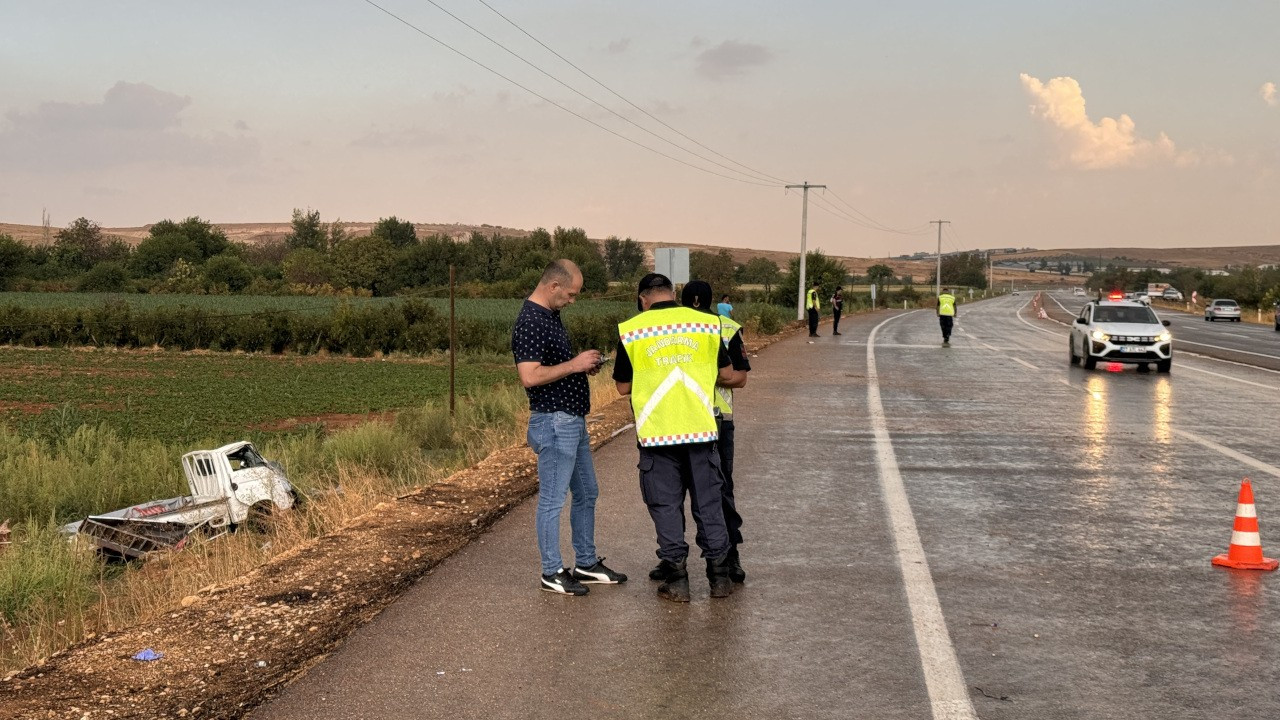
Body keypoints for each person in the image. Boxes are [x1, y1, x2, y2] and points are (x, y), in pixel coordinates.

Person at [614, 273, 747, 602]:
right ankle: (719, 579)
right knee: (709, 504)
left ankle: (677, 581)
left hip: (658, 434)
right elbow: (728, 374)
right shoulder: (705, 325)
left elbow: (622, 387)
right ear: (673, 293)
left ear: (644, 299)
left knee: (666, 506)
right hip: (701, 430)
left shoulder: (632, 331)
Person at [512, 259, 627, 596]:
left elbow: (552, 367)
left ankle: (586, 563)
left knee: (588, 492)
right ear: (554, 287)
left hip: (571, 420)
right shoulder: (531, 321)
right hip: (553, 421)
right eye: (571, 295)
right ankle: (551, 571)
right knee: (552, 499)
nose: (573, 301)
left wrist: (579, 368)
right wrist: (574, 364)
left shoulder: (550, 316)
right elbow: (530, 376)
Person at [681, 280, 751, 584]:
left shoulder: (726, 329)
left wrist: (706, 377)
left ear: (692, 301)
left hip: (718, 421)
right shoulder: (675, 328)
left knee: (721, 488)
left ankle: (730, 555)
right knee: (674, 492)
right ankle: (674, 560)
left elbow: (740, 377)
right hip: (680, 419)